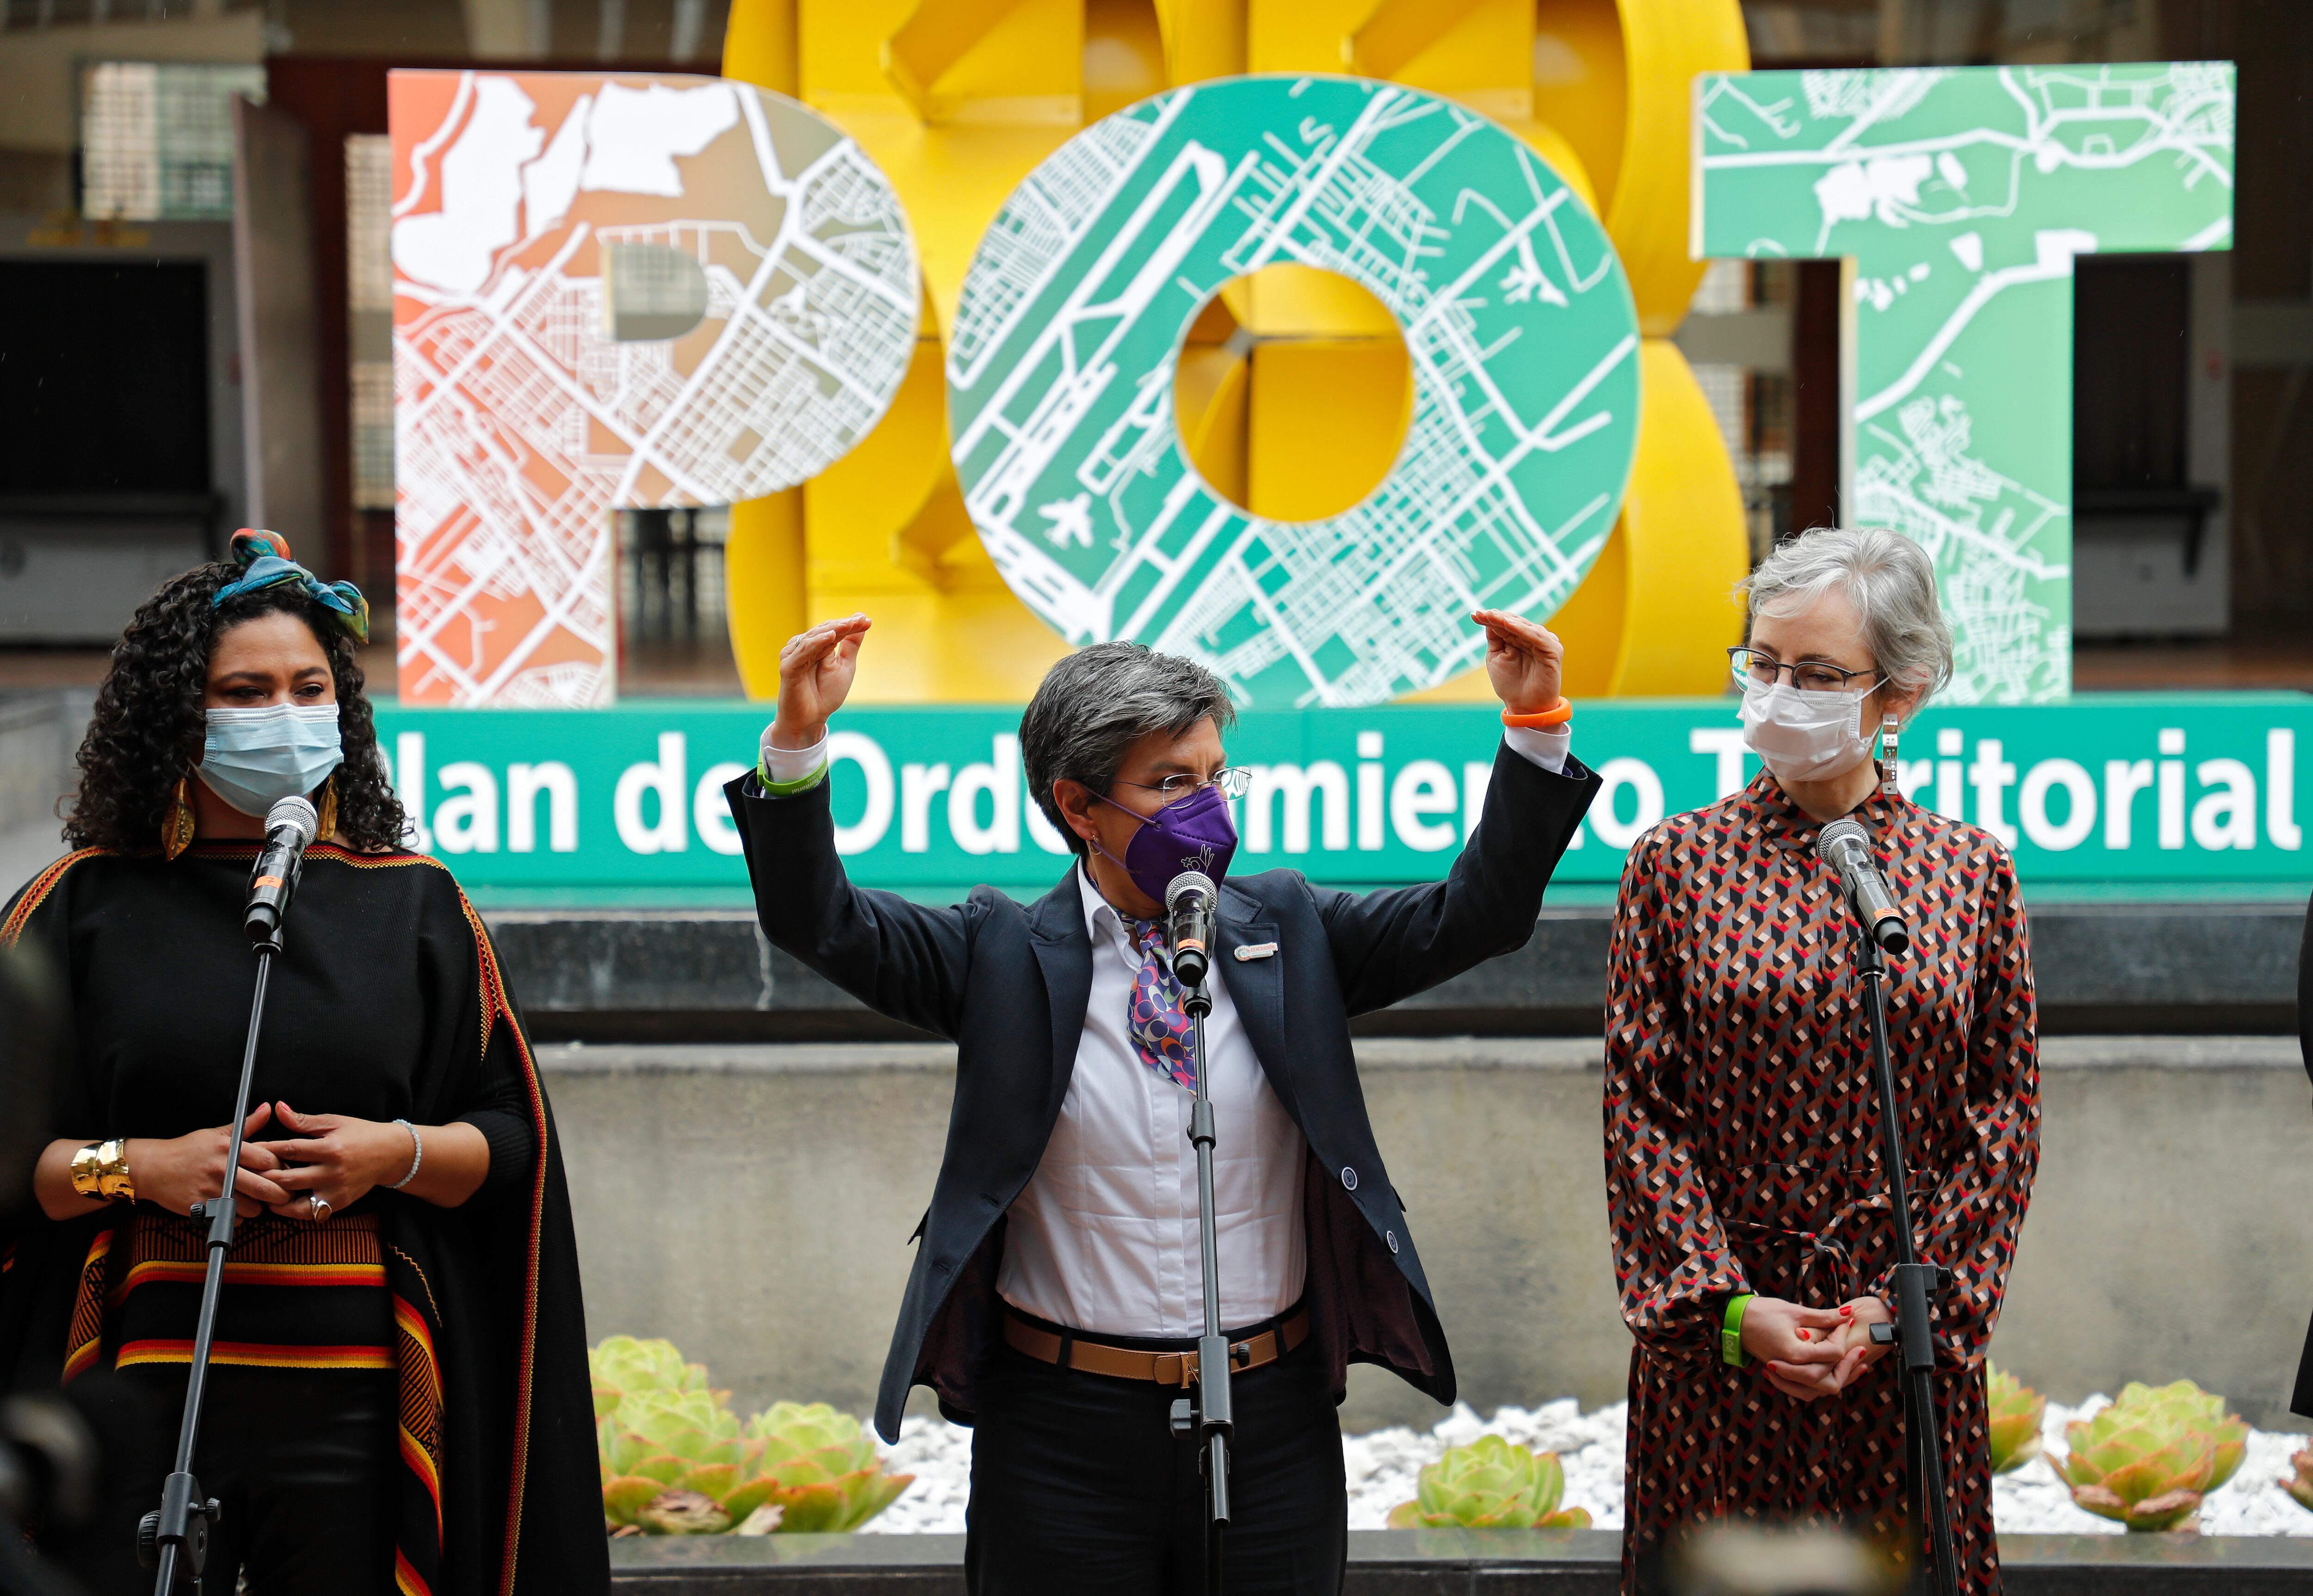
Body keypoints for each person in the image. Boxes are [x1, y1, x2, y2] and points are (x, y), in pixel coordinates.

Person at [729, 610, 1599, 1594]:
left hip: (1270, 1420)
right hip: (1059, 1431)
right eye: (1169, 783)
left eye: (1216, 776)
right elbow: (820, 921)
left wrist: (1534, 723)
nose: (1207, 808)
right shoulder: (999, 952)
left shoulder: (1289, 932)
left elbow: (1475, 914)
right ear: (1078, 806)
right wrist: (798, 746)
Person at [0, 532, 606, 1596]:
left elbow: (513, 1142)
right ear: (177, 716)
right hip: (140, 1400)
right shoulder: (78, 910)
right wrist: (137, 1166)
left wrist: (397, 1151)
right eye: (245, 691)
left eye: (307, 686)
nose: (284, 713)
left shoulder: (418, 904)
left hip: (362, 1404)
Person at [1602, 527, 2040, 1596]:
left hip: (1900, 1346)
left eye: (1816, 673)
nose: (1778, 691)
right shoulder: (1675, 864)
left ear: (1898, 694)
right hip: (1729, 1345)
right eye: (1762, 664)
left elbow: (2002, 1117)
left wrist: (1907, 1312)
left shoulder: (1965, 874)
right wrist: (1722, 1307)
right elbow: (1641, 1112)